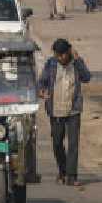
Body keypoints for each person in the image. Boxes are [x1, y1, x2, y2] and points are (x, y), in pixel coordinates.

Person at [38, 39, 91, 187]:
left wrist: (78, 59)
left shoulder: (76, 64)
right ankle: (63, 171)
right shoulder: (51, 64)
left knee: (73, 143)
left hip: (73, 109)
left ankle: (72, 176)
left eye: (63, 55)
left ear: (68, 52)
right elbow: (42, 81)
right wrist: (41, 91)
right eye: (57, 55)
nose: (60, 58)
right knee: (57, 143)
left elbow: (87, 77)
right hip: (55, 110)